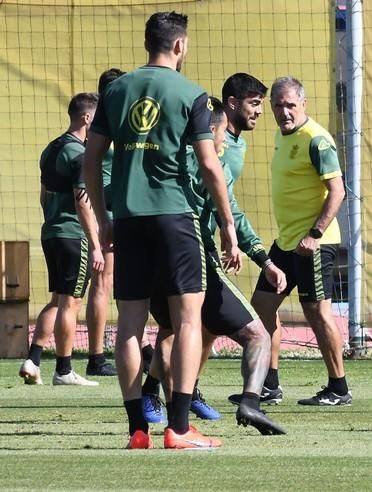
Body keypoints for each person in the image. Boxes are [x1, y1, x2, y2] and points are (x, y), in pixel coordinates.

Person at [83, 11, 238, 449]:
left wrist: (104, 217)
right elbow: (209, 164)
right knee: (188, 321)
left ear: (147, 42)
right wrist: (228, 224)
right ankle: (180, 428)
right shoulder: (193, 94)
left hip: (129, 222)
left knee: (130, 323)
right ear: (179, 46)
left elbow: (90, 160)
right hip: (175, 219)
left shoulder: (115, 91)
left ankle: (137, 430)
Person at [146, 96, 286, 435]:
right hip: (196, 257)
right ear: (211, 132)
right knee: (257, 334)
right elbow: (232, 211)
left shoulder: (163, 161)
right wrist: (260, 256)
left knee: (171, 332)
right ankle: (248, 404)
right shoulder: (214, 163)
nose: (224, 143)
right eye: (222, 135)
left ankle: (153, 399)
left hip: (150, 253)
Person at [249, 76, 351, 406]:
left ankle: (339, 388)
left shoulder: (316, 140)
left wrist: (315, 234)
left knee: (318, 314)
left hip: (314, 243)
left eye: (290, 105)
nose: (284, 111)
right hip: (287, 241)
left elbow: (338, 191)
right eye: (277, 105)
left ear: (303, 104)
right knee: (262, 306)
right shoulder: (282, 137)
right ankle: (270, 384)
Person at [19, 93, 103, 387]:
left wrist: (54, 220)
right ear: (87, 118)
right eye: (99, 118)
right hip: (72, 234)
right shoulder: (79, 154)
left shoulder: (50, 149)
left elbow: (44, 196)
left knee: (57, 299)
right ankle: (64, 370)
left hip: (51, 231)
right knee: (71, 302)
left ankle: (32, 359)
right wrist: (94, 243)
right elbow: (83, 202)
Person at [83, 68, 126, 378]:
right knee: (102, 283)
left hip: (123, 214)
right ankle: (97, 356)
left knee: (124, 285)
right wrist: (100, 224)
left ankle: (131, 344)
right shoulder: (102, 129)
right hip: (105, 216)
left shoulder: (117, 124)